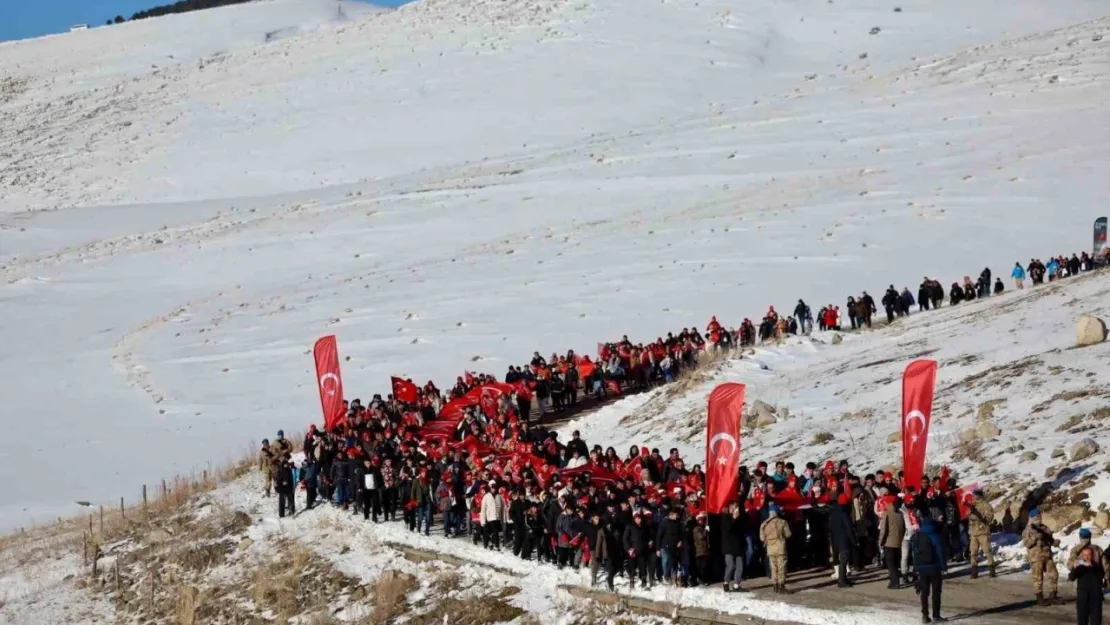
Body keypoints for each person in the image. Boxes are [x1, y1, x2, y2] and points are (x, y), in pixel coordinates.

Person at [913, 513, 947, 623]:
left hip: (922, 568)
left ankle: (925, 616)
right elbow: (940, 551)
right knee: (936, 592)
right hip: (934, 567)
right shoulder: (935, 535)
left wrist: (916, 567)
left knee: (924, 592)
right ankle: (936, 616)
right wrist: (944, 566)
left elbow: (914, 552)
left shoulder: (917, 535)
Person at [1023, 508, 1061, 605]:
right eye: (1036, 516)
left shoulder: (1045, 528)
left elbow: (1050, 540)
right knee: (1038, 577)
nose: (1039, 518)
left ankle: (1053, 595)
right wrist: (1035, 538)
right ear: (1032, 518)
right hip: (1036, 557)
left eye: (1039, 516)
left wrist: (1055, 542)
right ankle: (1039, 598)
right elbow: (1027, 544)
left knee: (1054, 575)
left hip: (1047, 555)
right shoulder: (1028, 530)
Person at [1068, 540, 1105, 625]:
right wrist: (1074, 568)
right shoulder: (1079, 567)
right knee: (1082, 621)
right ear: (1082, 556)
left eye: (1089, 555)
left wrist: (1092, 567)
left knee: (1096, 621)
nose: (1087, 557)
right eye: (1085, 555)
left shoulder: (1097, 566)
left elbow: (1102, 575)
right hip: (1083, 599)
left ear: (1092, 556)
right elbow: (1071, 577)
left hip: (1095, 599)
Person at [760, 504, 792, 594]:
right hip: (780, 547)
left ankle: (775, 585)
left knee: (773, 568)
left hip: (770, 548)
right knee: (781, 567)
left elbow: (762, 538)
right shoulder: (782, 522)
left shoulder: (764, 524)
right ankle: (781, 586)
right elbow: (788, 534)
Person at [879, 497, 907, 588]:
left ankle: (895, 582)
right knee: (895, 562)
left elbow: (883, 530)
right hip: (898, 541)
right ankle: (894, 580)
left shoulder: (886, 514)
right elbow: (903, 528)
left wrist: (880, 542)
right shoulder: (899, 514)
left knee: (890, 564)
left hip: (889, 542)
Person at [967, 489, 995, 578]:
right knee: (973, 552)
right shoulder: (972, 505)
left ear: (979, 495)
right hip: (973, 532)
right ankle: (974, 571)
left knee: (987, 551)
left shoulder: (986, 505)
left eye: (974, 495)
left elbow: (989, 519)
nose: (973, 496)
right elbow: (967, 516)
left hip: (983, 531)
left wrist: (977, 515)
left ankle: (992, 569)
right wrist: (970, 513)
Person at [721, 502, 747, 592]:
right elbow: (728, 529)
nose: (736, 508)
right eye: (735, 507)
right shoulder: (725, 517)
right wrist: (734, 519)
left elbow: (742, 529)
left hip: (738, 545)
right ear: (730, 507)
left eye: (737, 506)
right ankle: (726, 582)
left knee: (740, 565)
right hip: (729, 546)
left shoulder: (739, 517)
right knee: (730, 565)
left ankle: (736, 584)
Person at [480, 484, 505, 550]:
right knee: (495, 531)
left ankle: (489, 542)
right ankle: (496, 545)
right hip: (490, 517)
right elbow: (483, 509)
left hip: (497, 517)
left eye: (494, 488)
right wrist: (483, 520)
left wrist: (502, 518)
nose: (493, 489)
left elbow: (502, 508)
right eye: (492, 488)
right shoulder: (486, 496)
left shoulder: (499, 496)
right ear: (490, 489)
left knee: (492, 532)